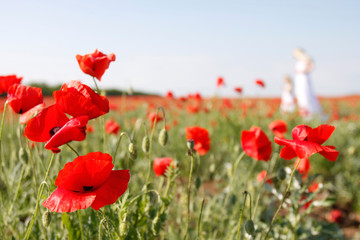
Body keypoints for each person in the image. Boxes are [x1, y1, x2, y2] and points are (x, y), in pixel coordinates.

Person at [293, 48, 322, 118]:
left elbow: (312, 66)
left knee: (305, 94)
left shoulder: (306, 59)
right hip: (298, 79)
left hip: (304, 78)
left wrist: (305, 71)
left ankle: (309, 114)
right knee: (300, 95)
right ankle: (304, 113)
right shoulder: (299, 60)